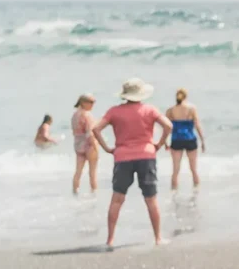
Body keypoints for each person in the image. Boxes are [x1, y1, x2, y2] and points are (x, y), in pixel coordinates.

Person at [92, 78, 172, 247]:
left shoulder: (114, 112)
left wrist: (107, 148)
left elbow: (95, 128)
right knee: (151, 198)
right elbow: (169, 126)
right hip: (146, 155)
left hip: (122, 157)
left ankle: (110, 239)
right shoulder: (149, 110)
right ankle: (158, 238)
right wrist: (159, 144)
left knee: (117, 199)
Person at [165, 88, 206, 190]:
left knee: (175, 171)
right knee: (193, 170)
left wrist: (165, 142)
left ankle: (173, 194)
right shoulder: (192, 109)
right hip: (190, 140)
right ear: (186, 97)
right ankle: (196, 193)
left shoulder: (170, 110)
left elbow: (167, 128)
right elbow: (197, 125)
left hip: (176, 140)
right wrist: (203, 141)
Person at [71, 94, 99, 193]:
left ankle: (75, 193)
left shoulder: (75, 115)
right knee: (92, 173)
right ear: (83, 103)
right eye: (91, 102)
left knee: (78, 172)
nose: (93, 105)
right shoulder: (87, 115)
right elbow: (89, 133)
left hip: (78, 146)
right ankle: (94, 194)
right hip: (89, 146)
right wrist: (96, 147)